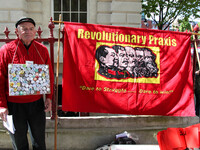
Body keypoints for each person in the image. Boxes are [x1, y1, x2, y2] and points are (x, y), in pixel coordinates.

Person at [0, 17, 54, 150]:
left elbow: (49, 76)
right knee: (19, 142)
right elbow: (0, 78)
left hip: (36, 104)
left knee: (39, 141)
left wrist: (48, 97)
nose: (28, 31)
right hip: (14, 105)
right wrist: (2, 105)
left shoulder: (42, 50)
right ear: (17, 31)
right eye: (24, 29)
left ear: (35, 31)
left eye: (31, 28)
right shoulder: (6, 50)